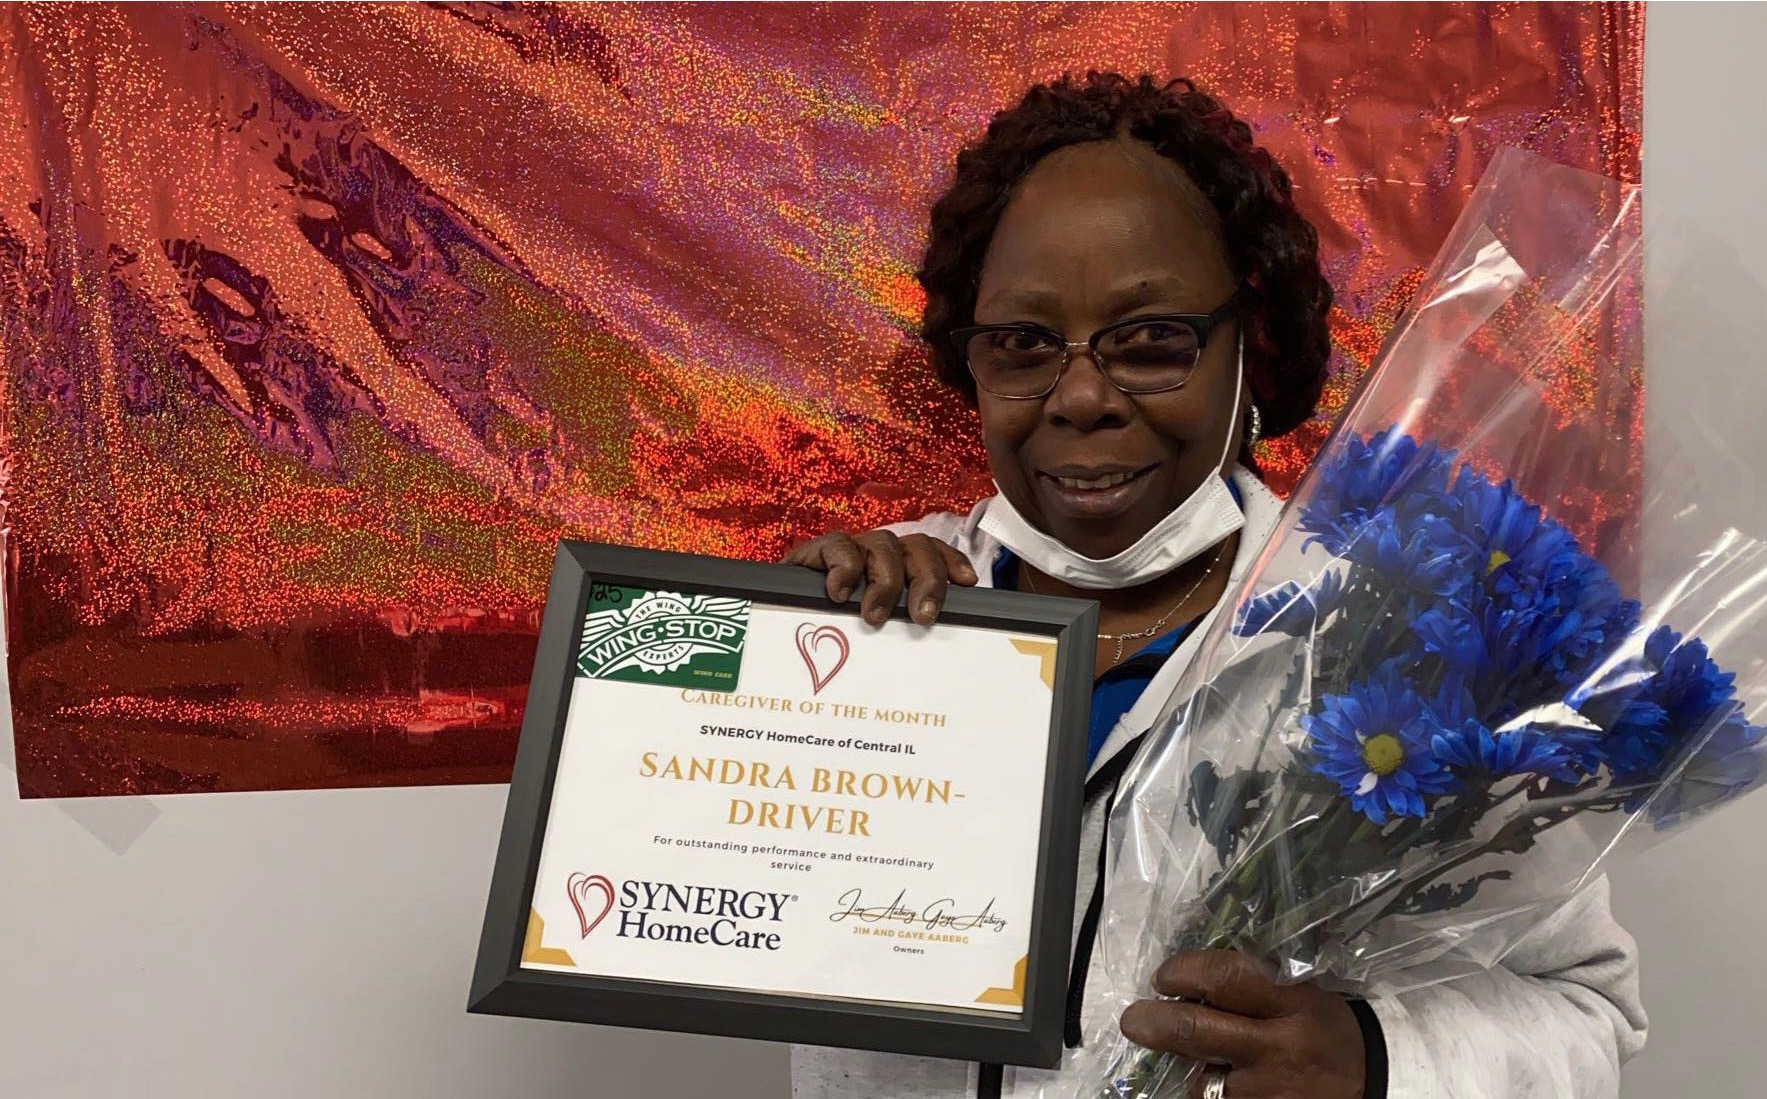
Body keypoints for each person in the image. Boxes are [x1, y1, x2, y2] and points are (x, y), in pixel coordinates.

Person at [783, 73, 1646, 1099]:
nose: (1085, 396)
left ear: (1252, 347)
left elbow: (1587, 1010)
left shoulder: (1399, 641)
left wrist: (1376, 1060)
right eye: (1022, 345)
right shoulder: (880, 599)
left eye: (1152, 342)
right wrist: (770, 674)